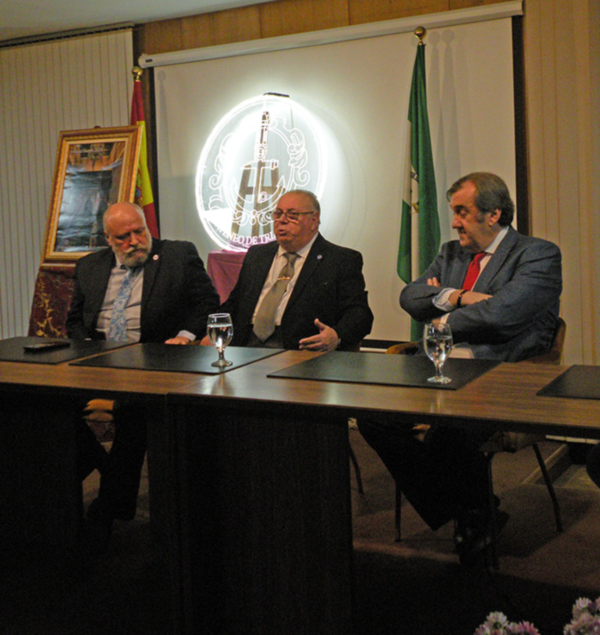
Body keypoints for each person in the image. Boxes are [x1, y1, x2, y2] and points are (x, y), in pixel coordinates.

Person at [359, 172, 562, 564]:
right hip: (438, 369)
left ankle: (473, 515)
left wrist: (443, 316)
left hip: (502, 374)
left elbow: (505, 314)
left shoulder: (537, 254)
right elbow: (411, 296)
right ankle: (473, 509)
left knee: (451, 428)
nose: (454, 222)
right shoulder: (451, 253)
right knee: (374, 419)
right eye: (454, 212)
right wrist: (462, 296)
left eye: (462, 212)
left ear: (493, 214)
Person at [66, 201, 220, 549]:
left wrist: (186, 334)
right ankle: (90, 479)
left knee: (135, 414)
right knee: (43, 410)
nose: (135, 240)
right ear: (108, 239)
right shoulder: (89, 267)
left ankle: (107, 508)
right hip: (100, 364)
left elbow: (207, 303)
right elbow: (75, 320)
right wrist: (88, 349)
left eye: (140, 231)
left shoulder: (178, 255)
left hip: (157, 361)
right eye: (124, 237)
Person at [219, 190, 374, 351]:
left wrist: (336, 335)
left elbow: (359, 314)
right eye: (278, 214)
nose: (282, 221)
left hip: (301, 351)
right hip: (244, 346)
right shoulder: (258, 255)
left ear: (314, 220)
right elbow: (234, 304)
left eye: (292, 215)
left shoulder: (340, 260)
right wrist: (212, 332)